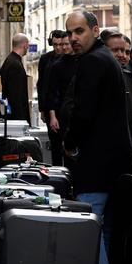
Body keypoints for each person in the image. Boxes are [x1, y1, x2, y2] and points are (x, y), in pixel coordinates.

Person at [64, 10, 132, 264]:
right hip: (115, 164)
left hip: (98, 165)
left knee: (89, 227)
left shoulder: (93, 61)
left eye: (79, 31)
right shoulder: (103, 58)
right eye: (70, 32)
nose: (73, 38)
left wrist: (70, 143)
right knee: (103, 230)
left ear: (95, 31)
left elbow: (83, 113)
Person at [100, 30, 132, 152]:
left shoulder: (128, 77)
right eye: (115, 50)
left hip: (128, 148)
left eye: (124, 51)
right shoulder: (91, 76)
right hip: (102, 150)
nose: (122, 55)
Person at [37, 30, 67, 165]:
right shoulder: (45, 59)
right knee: (55, 145)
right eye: (55, 45)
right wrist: (42, 109)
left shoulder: (70, 58)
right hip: (50, 107)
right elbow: (41, 84)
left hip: (65, 107)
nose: (59, 48)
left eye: (61, 44)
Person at [46, 33, 76, 165]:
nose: (63, 47)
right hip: (61, 112)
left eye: (66, 44)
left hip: (77, 111)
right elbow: (51, 93)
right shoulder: (57, 66)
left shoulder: (83, 62)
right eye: (61, 44)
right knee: (60, 150)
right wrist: (52, 116)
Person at [0, 33, 31, 124]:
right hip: (16, 116)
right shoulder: (15, 64)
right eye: (28, 45)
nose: (28, 48)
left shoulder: (10, 60)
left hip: (11, 112)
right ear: (24, 45)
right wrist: (21, 120)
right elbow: (16, 95)